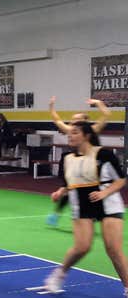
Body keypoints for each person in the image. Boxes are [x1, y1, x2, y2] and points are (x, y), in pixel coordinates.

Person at [44, 122, 128, 298]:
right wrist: (61, 192)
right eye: (69, 132)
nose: (70, 135)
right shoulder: (67, 158)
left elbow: (121, 180)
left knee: (113, 248)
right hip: (81, 204)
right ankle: (60, 273)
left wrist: (104, 193)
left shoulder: (104, 154)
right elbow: (70, 182)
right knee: (82, 247)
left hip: (108, 202)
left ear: (87, 135)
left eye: (74, 132)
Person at [46, 97, 109, 226]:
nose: (73, 122)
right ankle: (59, 210)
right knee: (71, 189)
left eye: (77, 119)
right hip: (75, 165)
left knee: (83, 190)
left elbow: (106, 114)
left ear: (85, 122)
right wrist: (51, 106)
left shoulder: (93, 130)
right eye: (73, 120)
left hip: (91, 166)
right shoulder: (70, 130)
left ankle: (92, 213)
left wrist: (98, 103)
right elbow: (57, 120)